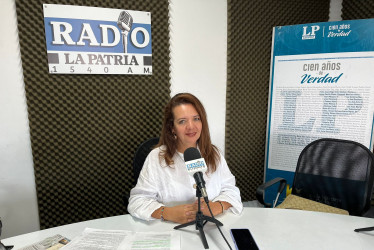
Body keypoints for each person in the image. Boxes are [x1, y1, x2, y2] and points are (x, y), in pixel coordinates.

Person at [128, 93, 243, 224]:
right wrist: (167, 212)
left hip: (210, 227)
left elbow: (231, 190)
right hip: (170, 230)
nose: (191, 126)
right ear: (172, 128)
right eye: (182, 121)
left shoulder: (214, 153)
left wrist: (218, 206)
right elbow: (137, 201)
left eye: (196, 119)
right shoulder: (156, 158)